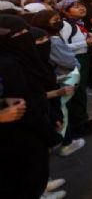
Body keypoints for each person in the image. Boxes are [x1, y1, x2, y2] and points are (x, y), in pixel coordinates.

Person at [0, 15, 61, 198]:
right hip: (18, 138)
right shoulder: (9, 65)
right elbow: (26, 106)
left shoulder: (20, 60)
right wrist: (50, 135)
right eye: (19, 34)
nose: (26, 36)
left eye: (26, 31)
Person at [31, 9, 86, 157]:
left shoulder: (44, 37)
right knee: (62, 110)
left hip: (56, 77)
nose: (59, 22)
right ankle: (64, 142)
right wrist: (76, 66)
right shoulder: (51, 40)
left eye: (58, 19)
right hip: (63, 76)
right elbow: (67, 60)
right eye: (54, 20)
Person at [56, 0, 92, 136]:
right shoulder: (65, 25)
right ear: (65, 11)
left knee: (80, 92)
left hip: (82, 58)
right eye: (75, 7)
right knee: (76, 93)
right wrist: (85, 43)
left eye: (81, 5)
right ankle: (77, 126)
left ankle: (81, 121)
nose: (82, 8)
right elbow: (61, 47)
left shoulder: (78, 23)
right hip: (74, 60)